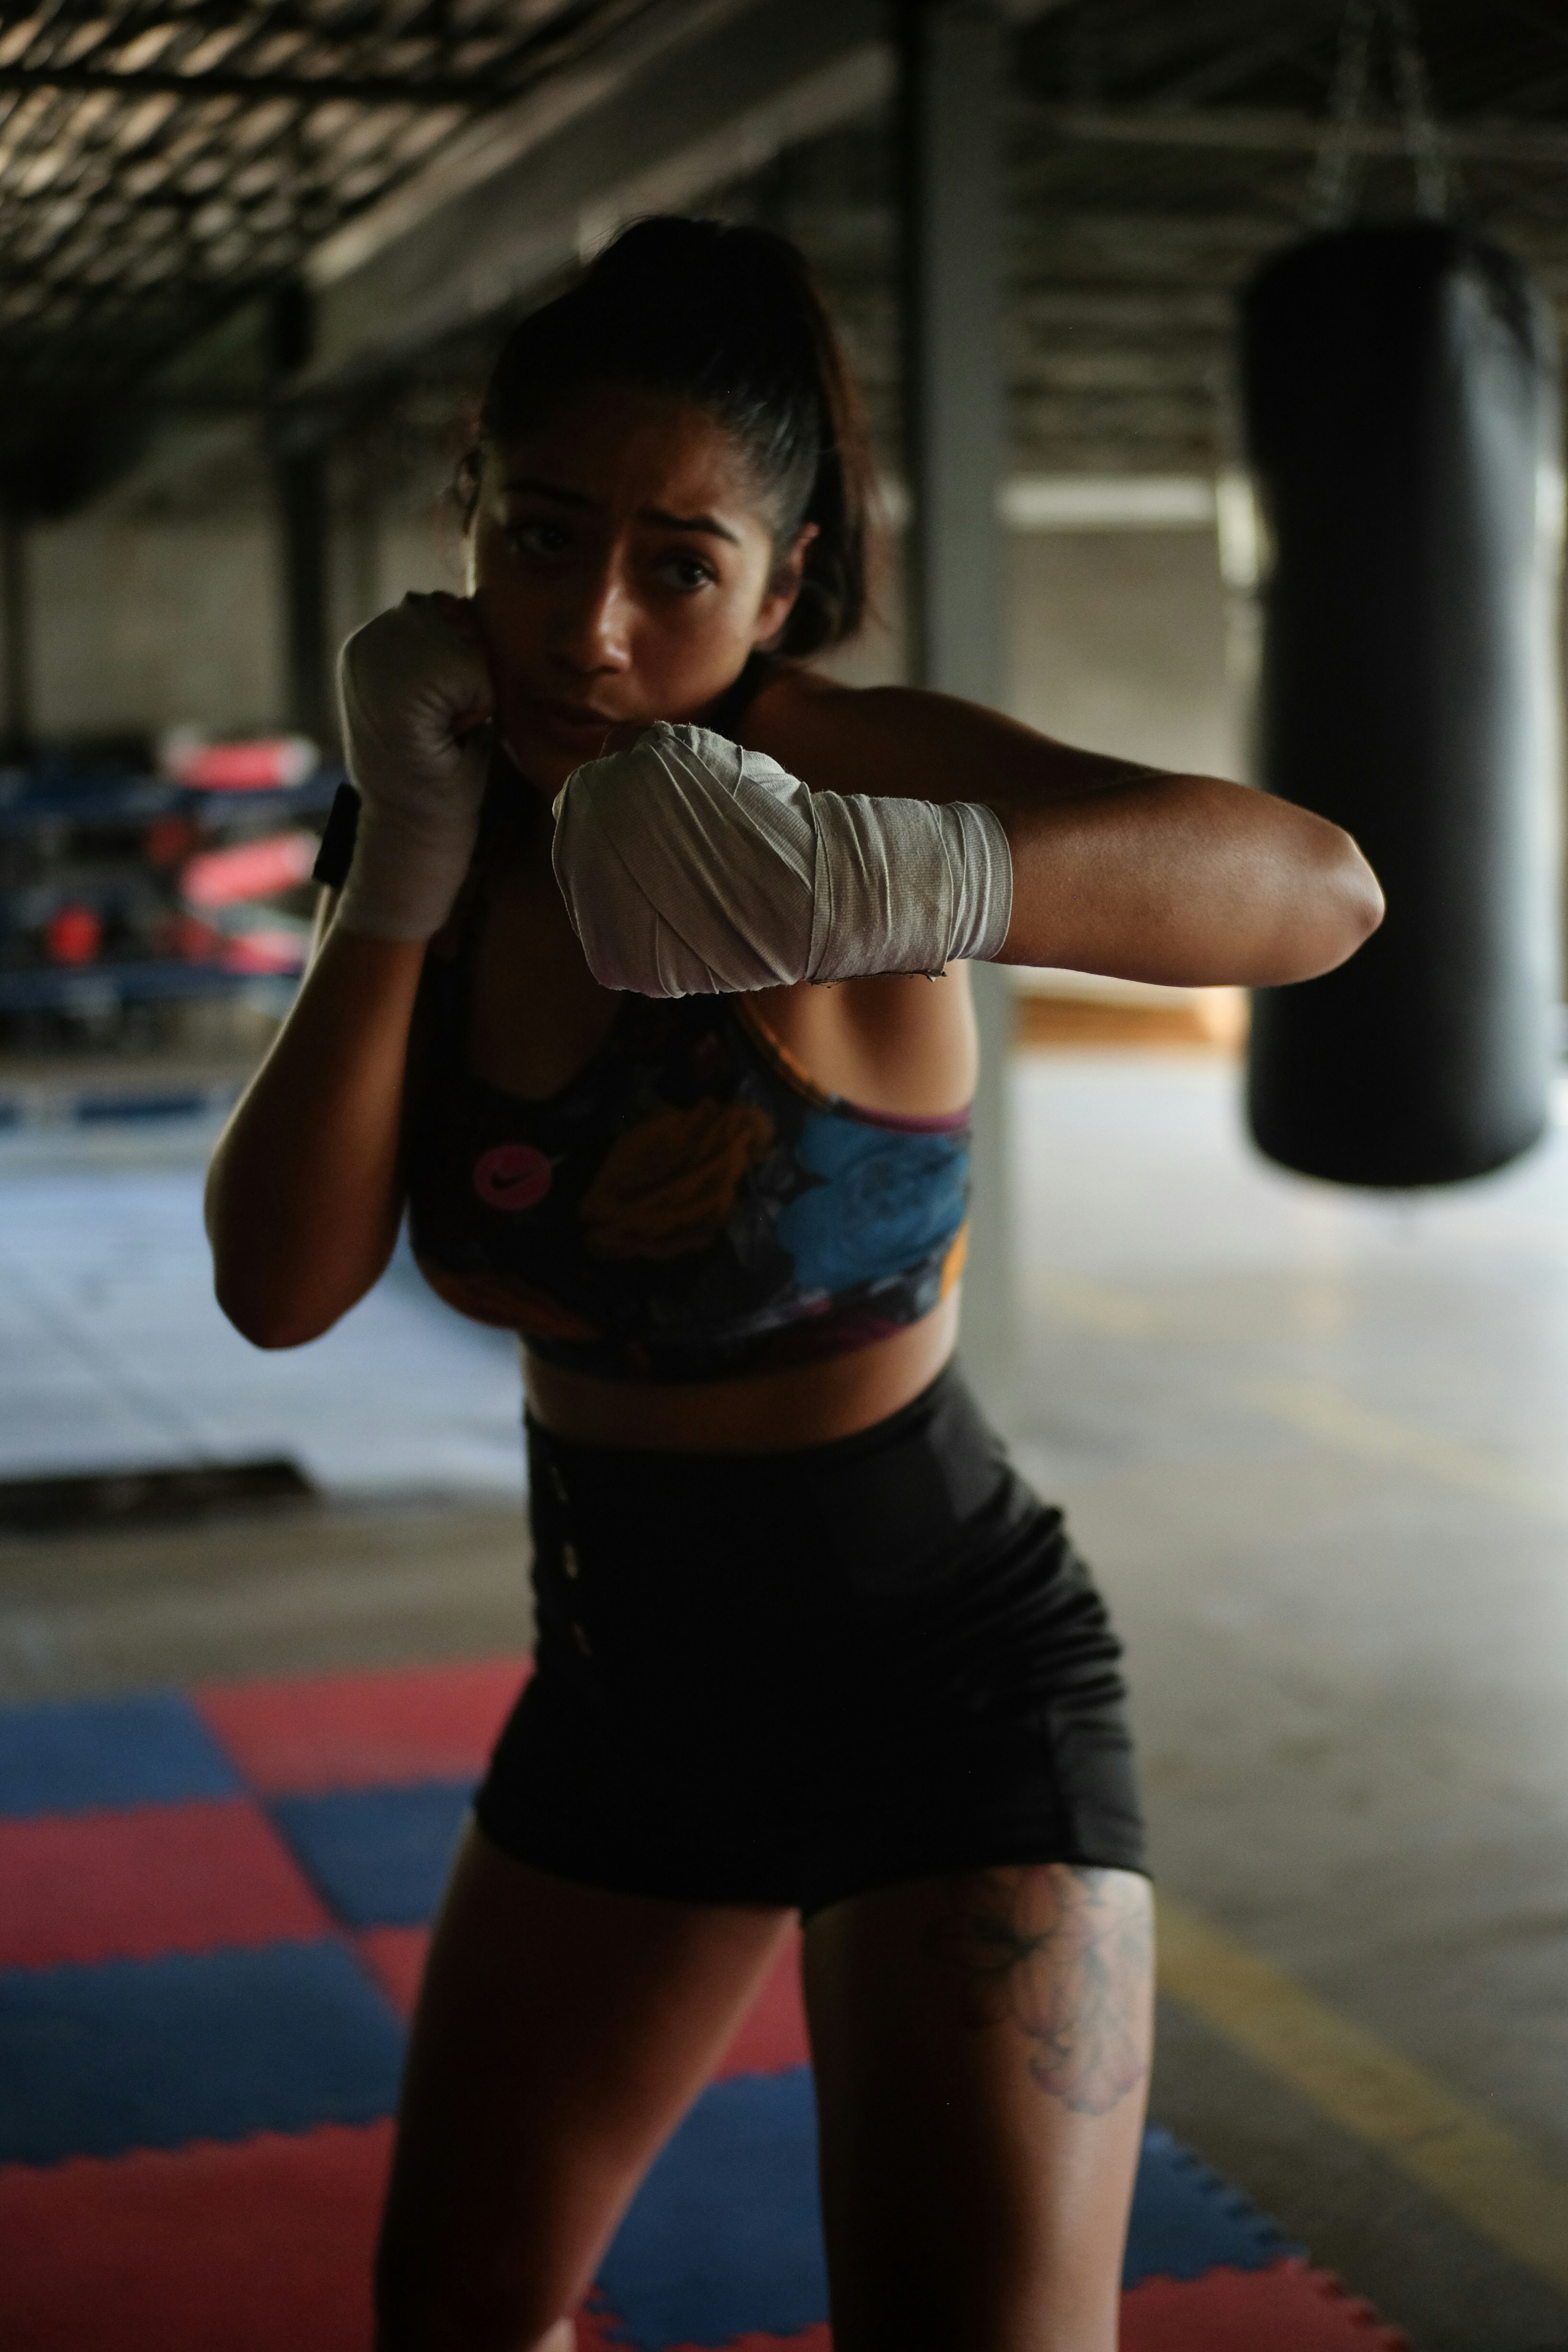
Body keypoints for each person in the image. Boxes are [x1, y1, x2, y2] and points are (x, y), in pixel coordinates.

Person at [206, 217, 1382, 2352]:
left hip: (941, 1686)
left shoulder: (832, 771)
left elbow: (1323, 893)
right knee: (457, 2311)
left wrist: (882, 873)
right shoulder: (438, 804)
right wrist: (403, 856)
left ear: (781, 575)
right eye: (541, 533)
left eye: (679, 565)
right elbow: (281, 1290)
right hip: (621, 1686)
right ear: (467, 504)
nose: (591, 626)